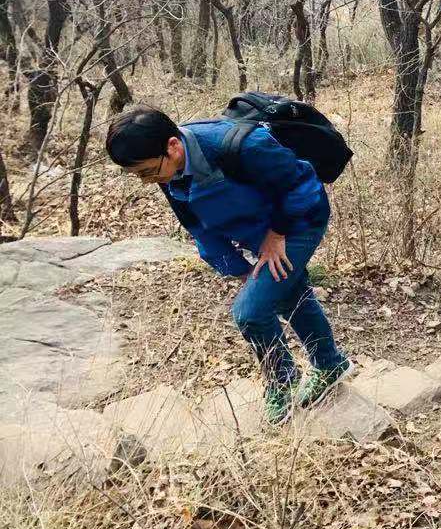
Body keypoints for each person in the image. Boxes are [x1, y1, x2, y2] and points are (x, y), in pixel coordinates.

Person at [106, 105, 347, 425]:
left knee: (249, 312)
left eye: (148, 172)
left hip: (299, 220)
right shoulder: (169, 169)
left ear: (173, 147)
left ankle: (283, 381)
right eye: (139, 175)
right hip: (257, 230)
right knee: (286, 293)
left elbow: (303, 185)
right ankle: (330, 363)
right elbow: (197, 226)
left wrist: (277, 234)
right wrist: (238, 268)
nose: (147, 182)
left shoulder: (240, 145)